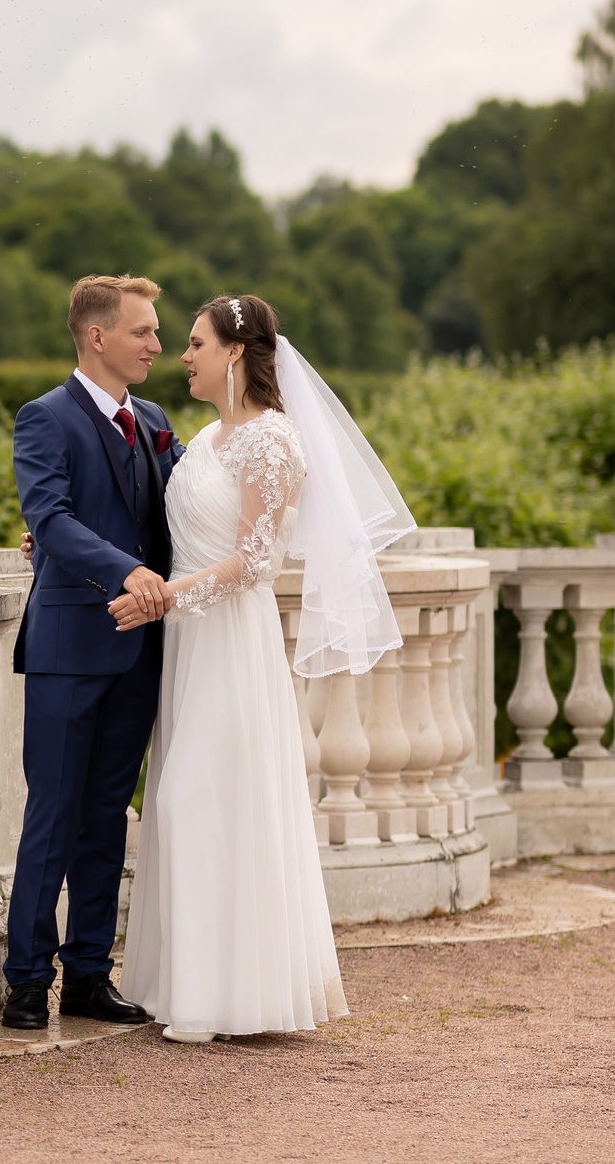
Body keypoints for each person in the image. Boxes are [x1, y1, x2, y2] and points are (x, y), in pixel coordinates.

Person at [119, 293, 413, 1042]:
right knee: (182, 806)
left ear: (236, 352)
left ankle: (233, 993)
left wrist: (165, 600)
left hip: (229, 640)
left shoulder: (274, 442)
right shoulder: (205, 436)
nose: (182, 355)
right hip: (188, 643)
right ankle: (182, 985)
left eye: (194, 343)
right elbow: (171, 529)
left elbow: (254, 562)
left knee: (199, 800)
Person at [0, 275, 181, 1032]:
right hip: (70, 646)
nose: (157, 344)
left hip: (140, 651)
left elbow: (176, 516)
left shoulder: (156, 419)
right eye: (143, 330)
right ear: (98, 336)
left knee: (107, 814)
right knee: (54, 812)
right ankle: (26, 981)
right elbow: (51, 516)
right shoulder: (43, 418)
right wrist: (126, 571)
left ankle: (86, 976)